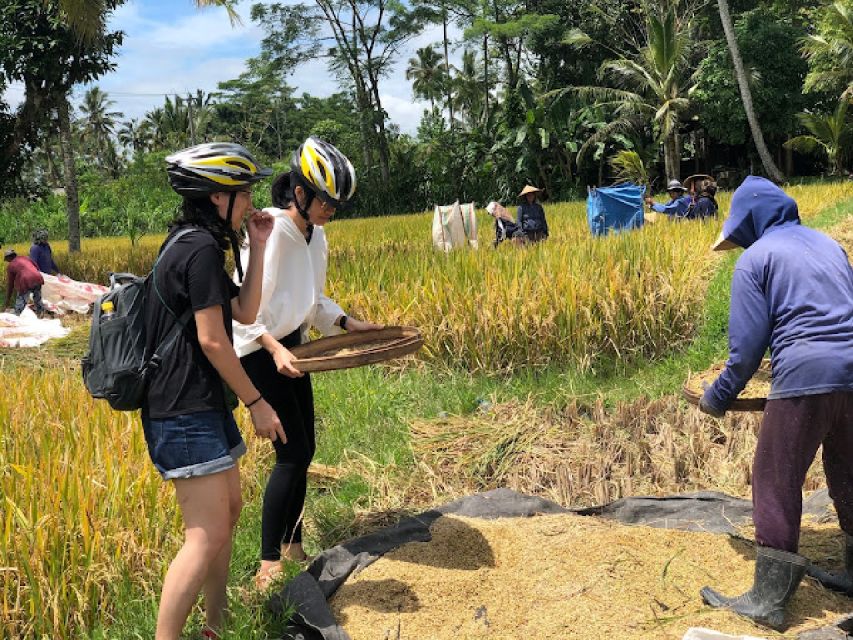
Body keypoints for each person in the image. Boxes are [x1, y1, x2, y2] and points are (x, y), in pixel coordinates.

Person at [143, 142, 286, 640]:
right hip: (183, 408)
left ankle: (215, 625)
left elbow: (244, 313)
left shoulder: (197, 243)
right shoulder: (198, 249)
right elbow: (212, 339)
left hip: (201, 403)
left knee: (227, 513)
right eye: (243, 193)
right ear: (216, 196)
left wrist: (260, 243)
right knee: (203, 536)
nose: (250, 201)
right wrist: (257, 401)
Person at [697, 176, 853, 630]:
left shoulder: (756, 259)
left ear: (748, 222)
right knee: (846, 468)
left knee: (775, 476)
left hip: (805, 374)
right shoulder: (829, 246)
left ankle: (768, 598)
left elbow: (746, 350)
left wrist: (719, 396)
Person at [233, 137, 382, 589]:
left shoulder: (317, 237)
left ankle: (293, 544)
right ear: (299, 193)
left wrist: (346, 321)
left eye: (336, 205)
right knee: (291, 453)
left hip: (295, 351)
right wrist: (274, 349)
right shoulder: (270, 231)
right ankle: (266, 562)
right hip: (261, 353)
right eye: (325, 201)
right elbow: (244, 311)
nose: (330, 211)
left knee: (306, 449)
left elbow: (312, 301)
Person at [4, 248, 45, 316]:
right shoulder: (26, 258)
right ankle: (41, 312)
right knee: (37, 298)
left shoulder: (11, 266)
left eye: (7, 259)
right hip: (38, 277)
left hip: (25, 281)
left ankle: (17, 315)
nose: (8, 261)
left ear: (9, 257)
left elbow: (10, 285)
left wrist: (7, 300)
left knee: (21, 301)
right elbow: (36, 268)